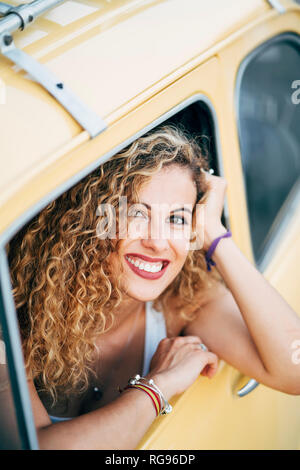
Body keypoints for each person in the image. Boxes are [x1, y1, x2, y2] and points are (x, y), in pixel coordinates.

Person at [8, 125, 300, 450]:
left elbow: (295, 369)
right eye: (136, 213)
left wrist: (214, 235)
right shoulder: (17, 312)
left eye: (177, 219)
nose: (158, 243)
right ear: (89, 221)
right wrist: (157, 386)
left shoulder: (181, 302)